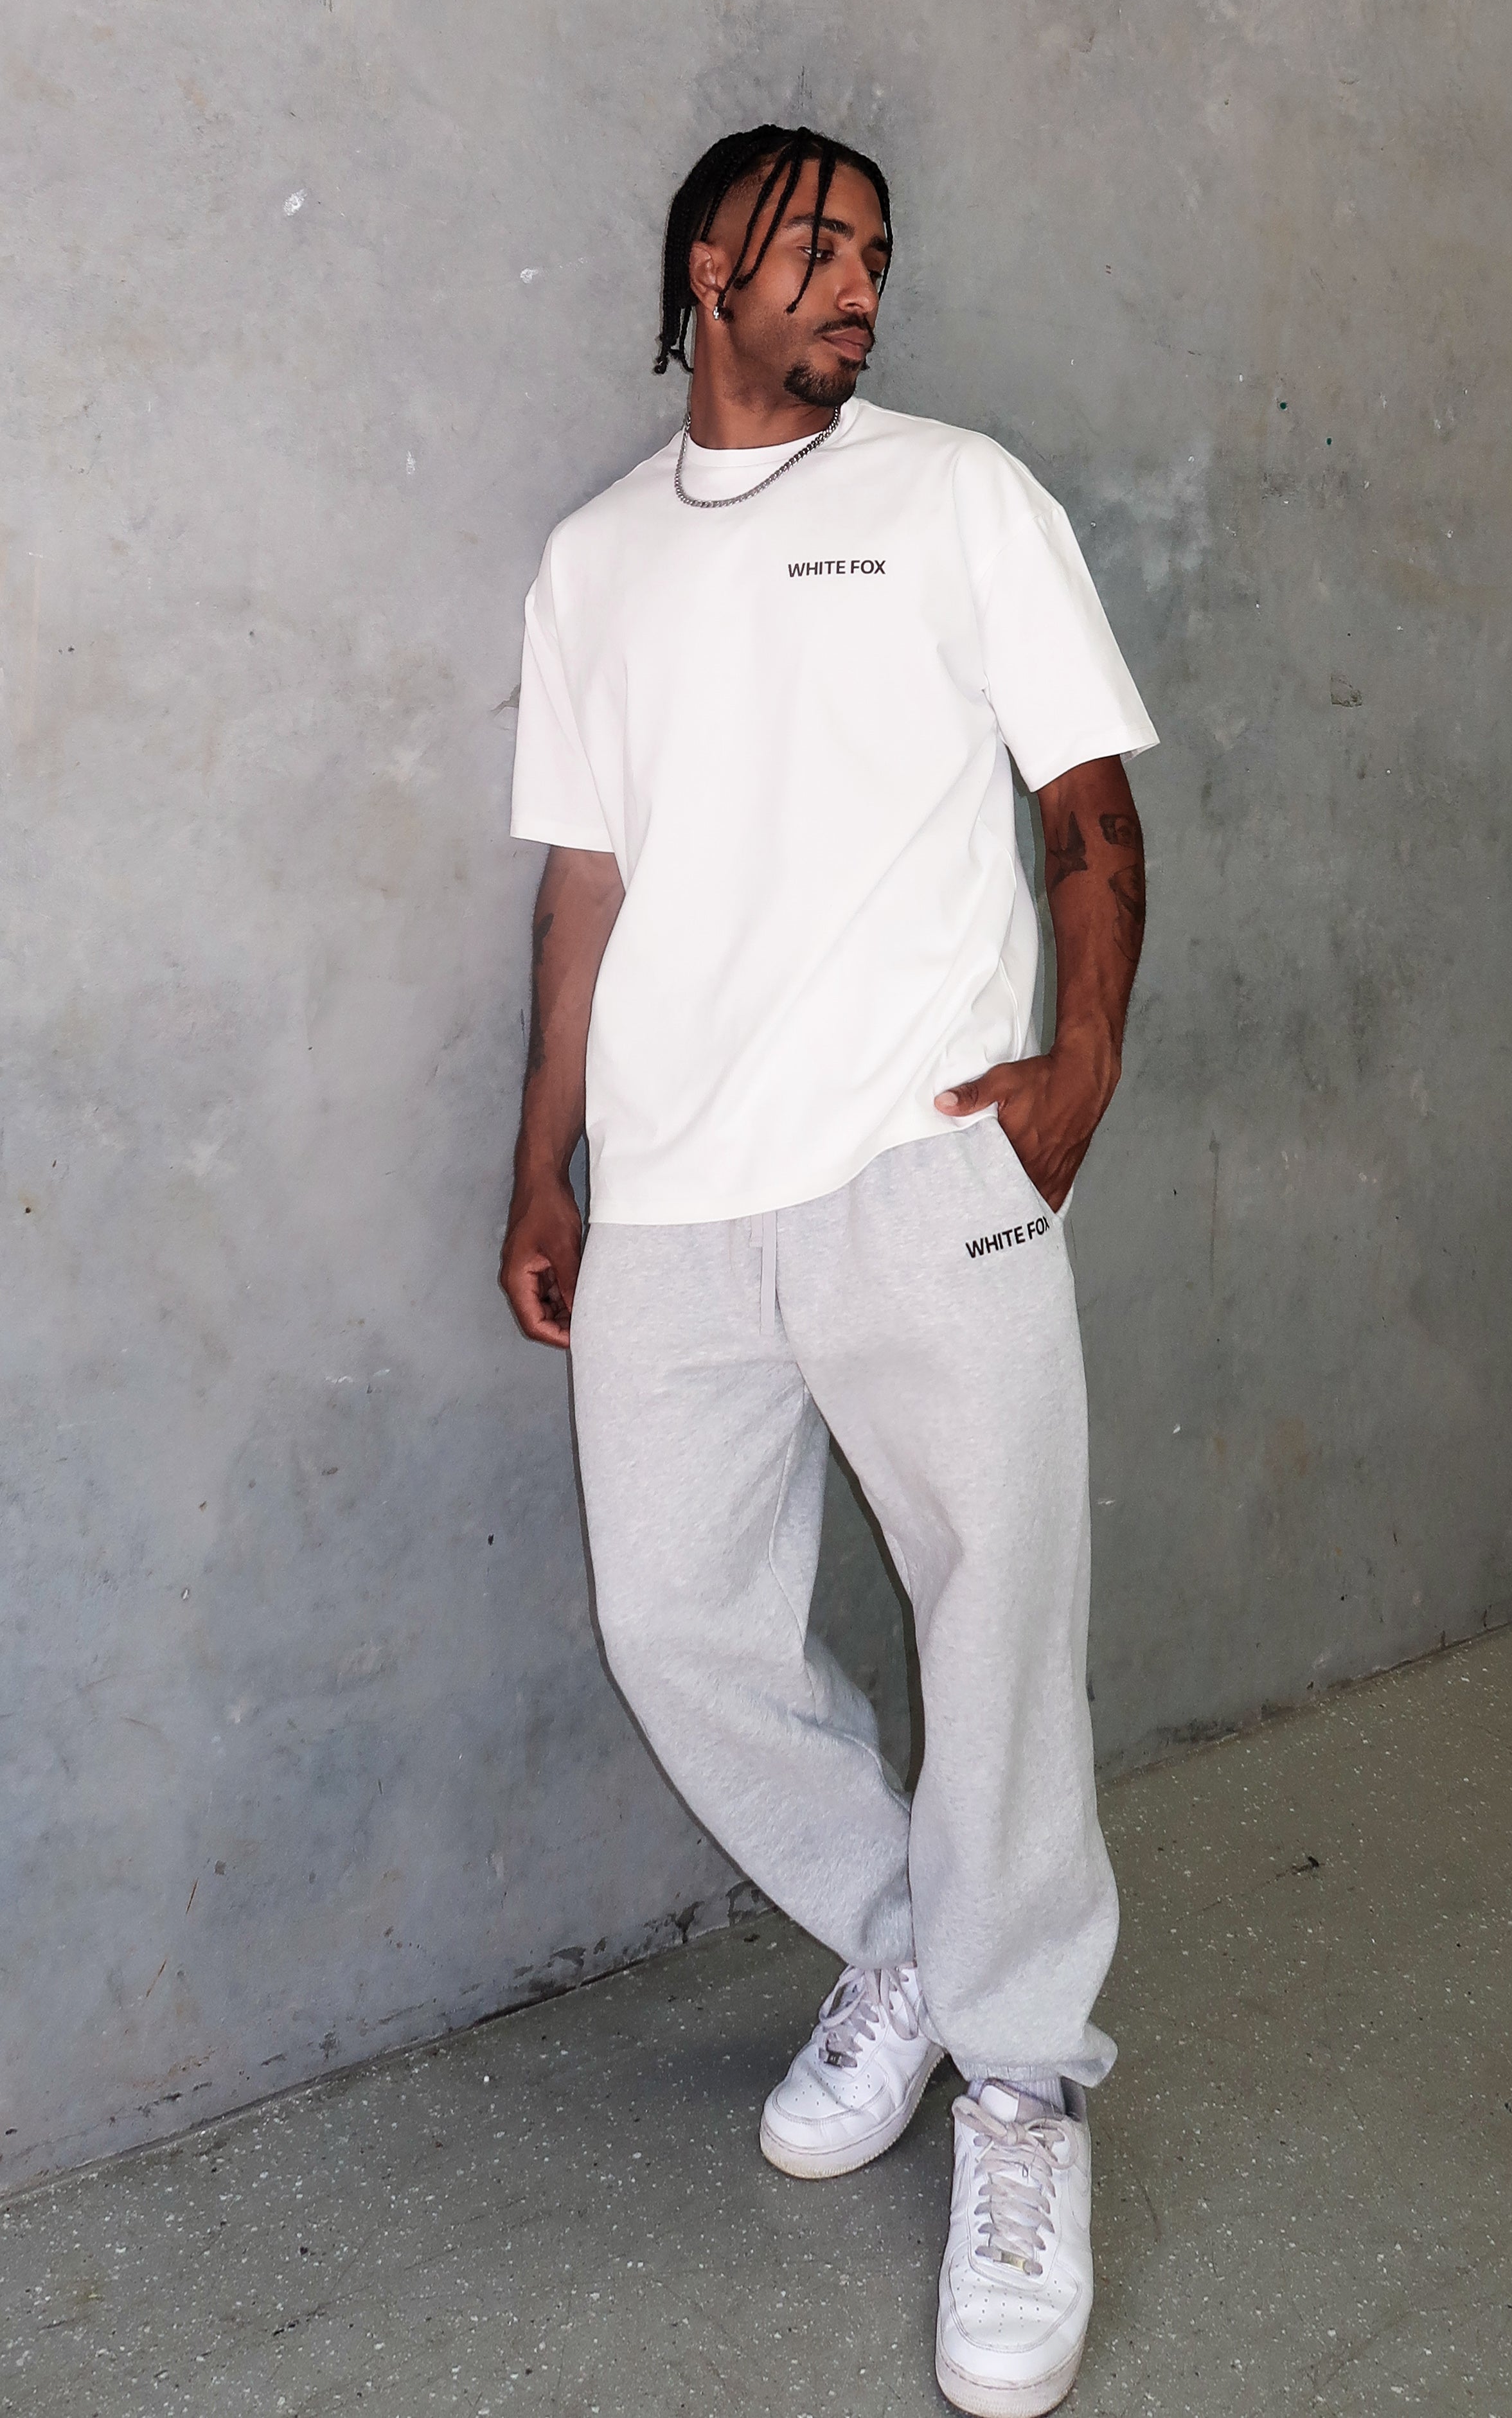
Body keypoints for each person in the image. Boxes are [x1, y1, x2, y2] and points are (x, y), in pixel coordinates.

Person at [500, 121, 1157, 2418]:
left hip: (921, 1161)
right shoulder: (593, 562)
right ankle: (910, 1947)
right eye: (814, 244)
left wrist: (1082, 1066)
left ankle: (1023, 2081)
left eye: (878, 248)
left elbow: (1088, 804)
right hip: (677, 1195)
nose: (859, 279)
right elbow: (584, 881)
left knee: (1001, 1619)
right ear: (709, 267)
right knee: (676, 1619)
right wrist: (546, 1157)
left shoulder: (960, 495)